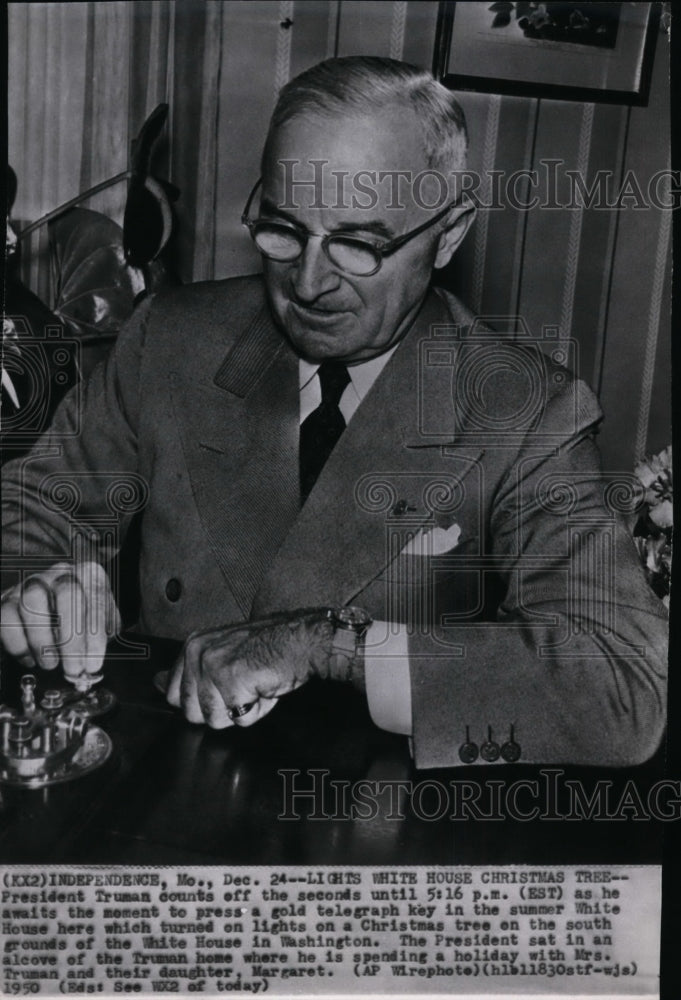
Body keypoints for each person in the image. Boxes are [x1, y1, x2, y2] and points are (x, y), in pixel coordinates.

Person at [1, 57, 667, 769]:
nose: (309, 283)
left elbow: (617, 687)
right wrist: (45, 575)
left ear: (447, 234)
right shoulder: (169, 337)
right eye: (282, 230)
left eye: (357, 244)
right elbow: (36, 510)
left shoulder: (526, 410)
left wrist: (327, 643)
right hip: (162, 791)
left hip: (367, 820)